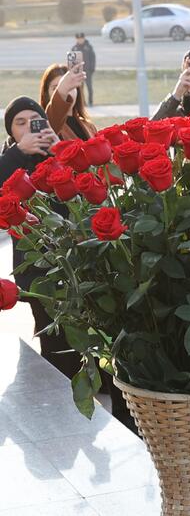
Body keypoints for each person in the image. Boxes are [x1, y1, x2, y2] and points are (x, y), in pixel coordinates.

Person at [0, 97, 76, 378]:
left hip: (72, 259)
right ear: (11, 131)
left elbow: (80, 187)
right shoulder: (9, 158)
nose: (29, 127)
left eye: (35, 121)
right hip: (35, 268)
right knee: (53, 340)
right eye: (20, 123)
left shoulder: (55, 152)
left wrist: (58, 150)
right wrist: (19, 152)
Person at [40, 63, 97, 141]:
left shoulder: (89, 126)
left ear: (77, 91)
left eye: (71, 87)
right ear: (46, 94)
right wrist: (62, 90)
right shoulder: (46, 126)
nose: (67, 92)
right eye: (55, 88)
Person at [72, 32, 96, 106]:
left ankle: (90, 102)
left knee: (89, 87)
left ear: (84, 38)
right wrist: (73, 71)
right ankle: (82, 103)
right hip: (79, 72)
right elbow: (72, 61)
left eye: (81, 38)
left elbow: (93, 58)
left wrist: (92, 69)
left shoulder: (88, 47)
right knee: (80, 88)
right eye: (78, 39)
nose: (80, 40)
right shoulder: (74, 48)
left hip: (88, 71)